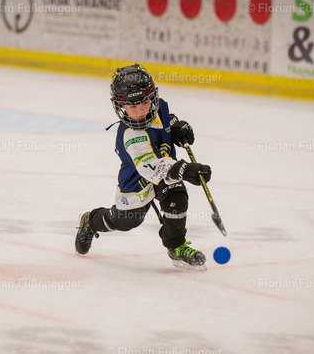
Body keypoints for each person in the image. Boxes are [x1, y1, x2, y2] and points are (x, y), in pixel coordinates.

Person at [75, 64, 213, 270]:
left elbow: (167, 118)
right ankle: (91, 220)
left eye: (143, 103)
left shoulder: (160, 106)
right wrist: (185, 170)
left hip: (165, 173)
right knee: (127, 221)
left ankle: (176, 246)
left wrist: (176, 127)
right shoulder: (131, 135)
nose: (139, 112)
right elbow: (153, 167)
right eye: (131, 107)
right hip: (137, 180)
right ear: (120, 106)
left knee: (177, 198)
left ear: (152, 98)